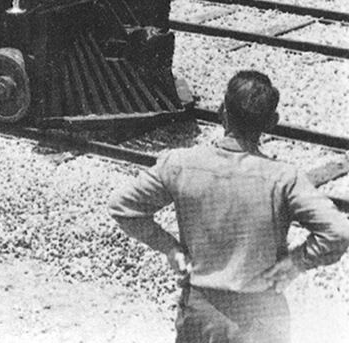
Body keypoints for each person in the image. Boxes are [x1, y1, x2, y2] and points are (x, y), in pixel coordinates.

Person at [109, 70, 349, 343]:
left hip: (201, 313)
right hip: (262, 317)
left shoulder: (179, 163)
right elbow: (339, 232)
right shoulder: (285, 178)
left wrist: (170, 248)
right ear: (272, 122)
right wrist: (296, 263)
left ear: (222, 111)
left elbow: (122, 207)